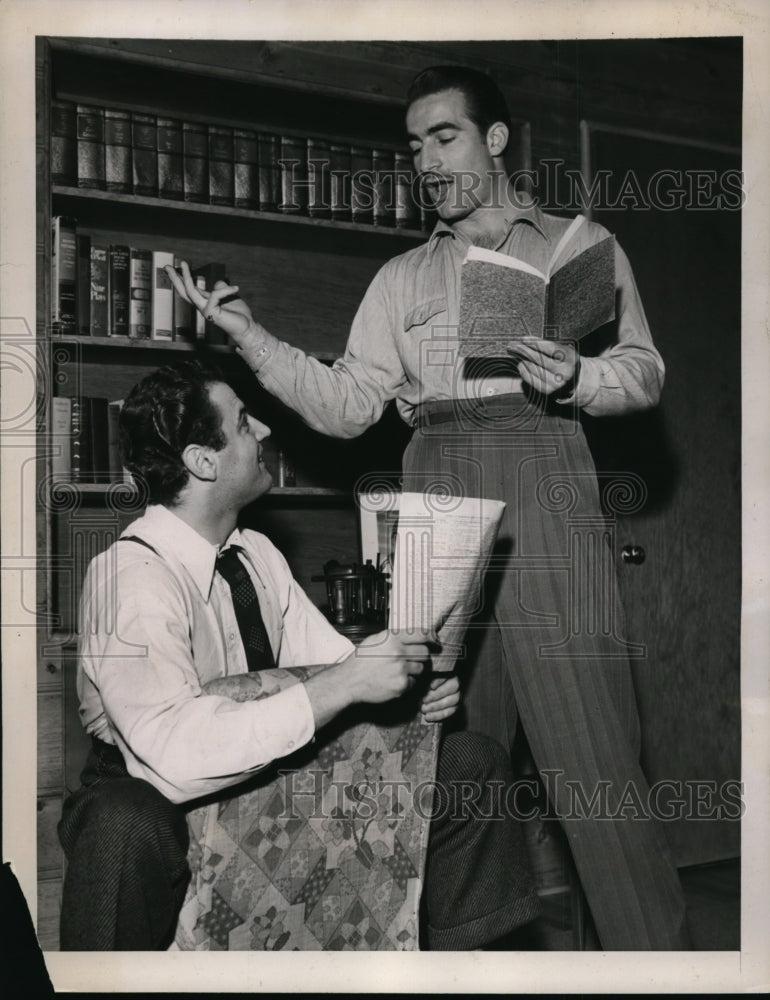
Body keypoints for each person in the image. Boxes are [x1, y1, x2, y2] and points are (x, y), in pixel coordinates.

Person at [166, 65, 691, 950]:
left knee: (595, 761)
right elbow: (346, 406)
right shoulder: (402, 277)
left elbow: (644, 369)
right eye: (414, 147)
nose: (427, 161)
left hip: (545, 462)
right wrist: (250, 338)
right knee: (443, 754)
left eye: (444, 137)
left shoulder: (575, 245)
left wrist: (581, 375)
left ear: (494, 140)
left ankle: (654, 966)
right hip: (434, 484)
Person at [58, 359, 539, 952]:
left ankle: (456, 974)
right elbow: (170, 757)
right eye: (241, 423)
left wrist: (406, 684)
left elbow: (334, 662)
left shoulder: (254, 553)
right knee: (123, 825)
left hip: (270, 765)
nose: (262, 430)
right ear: (202, 461)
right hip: (154, 781)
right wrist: (343, 685)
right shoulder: (130, 576)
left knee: (471, 762)